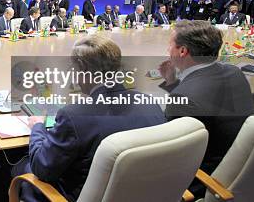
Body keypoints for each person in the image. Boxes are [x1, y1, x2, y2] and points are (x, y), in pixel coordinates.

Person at [12, 35, 165, 202]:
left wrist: (38, 126)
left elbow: (42, 168)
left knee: (22, 167)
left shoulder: (73, 116)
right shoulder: (150, 103)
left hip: (83, 195)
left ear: (82, 70)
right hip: (144, 194)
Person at [158, 21, 254, 176]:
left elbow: (175, 157)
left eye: (170, 45)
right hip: (241, 165)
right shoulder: (234, 71)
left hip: (207, 178)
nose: (167, 50)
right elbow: (206, 100)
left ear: (183, 51)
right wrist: (172, 83)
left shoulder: (185, 99)